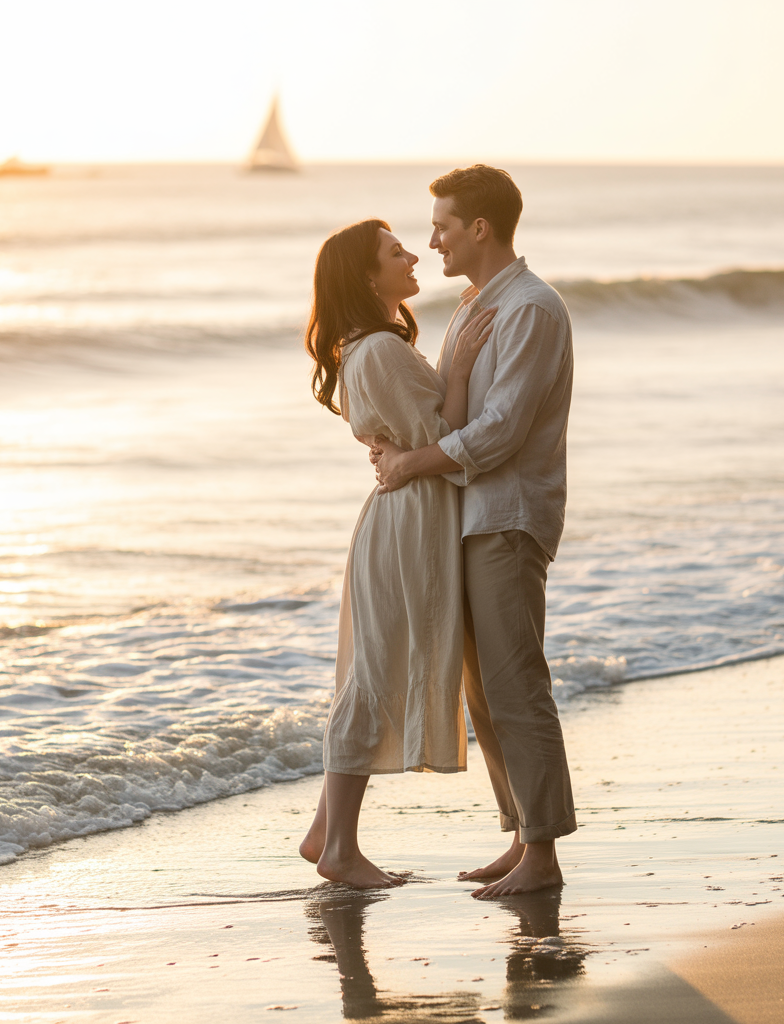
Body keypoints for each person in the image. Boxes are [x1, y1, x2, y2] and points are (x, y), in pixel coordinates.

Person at [371, 165, 577, 899]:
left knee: (516, 682)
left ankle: (544, 854)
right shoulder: (470, 309)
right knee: (483, 689)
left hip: (509, 515)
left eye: (444, 226)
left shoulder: (530, 309)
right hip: (466, 517)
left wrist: (410, 464)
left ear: (480, 228)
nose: (433, 241)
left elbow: (500, 433)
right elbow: (456, 416)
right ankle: (523, 838)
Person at [299, 218, 496, 889]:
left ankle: (328, 830)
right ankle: (341, 850)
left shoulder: (373, 346)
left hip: (407, 517)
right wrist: (462, 369)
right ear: (366, 276)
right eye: (395, 252)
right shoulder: (379, 350)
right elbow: (446, 438)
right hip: (407, 521)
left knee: (370, 669)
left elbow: (415, 439)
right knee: (372, 678)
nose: (413, 255)